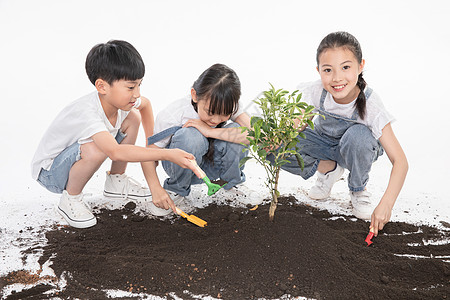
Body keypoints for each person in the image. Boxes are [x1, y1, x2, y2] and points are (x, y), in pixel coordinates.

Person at [31, 40, 196, 229]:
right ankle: (71, 198)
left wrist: (152, 145)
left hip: (73, 160)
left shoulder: (122, 102)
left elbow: (146, 105)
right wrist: (167, 153)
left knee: (132, 117)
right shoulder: (88, 113)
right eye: (131, 87)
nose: (137, 94)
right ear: (102, 87)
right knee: (96, 147)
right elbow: (115, 152)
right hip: (51, 173)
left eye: (139, 85)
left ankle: (116, 182)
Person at [282, 32, 408, 235]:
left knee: (358, 137)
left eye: (346, 67)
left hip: (354, 151)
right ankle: (328, 170)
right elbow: (294, 130)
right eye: (328, 70)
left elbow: (401, 161)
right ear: (318, 71)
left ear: (360, 66)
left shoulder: (371, 104)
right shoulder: (315, 92)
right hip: (324, 147)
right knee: (278, 147)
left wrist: (386, 205)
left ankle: (357, 189)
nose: (337, 78)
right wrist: (273, 142)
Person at [146, 63, 260, 216]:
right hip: (183, 167)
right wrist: (156, 189)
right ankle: (177, 191)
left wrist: (209, 131)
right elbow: (149, 155)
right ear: (195, 95)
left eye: (224, 114)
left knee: (239, 133)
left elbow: (255, 135)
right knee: (190, 136)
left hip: (214, 165)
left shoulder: (228, 104)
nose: (216, 119)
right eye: (210, 112)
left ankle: (229, 186)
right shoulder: (173, 114)